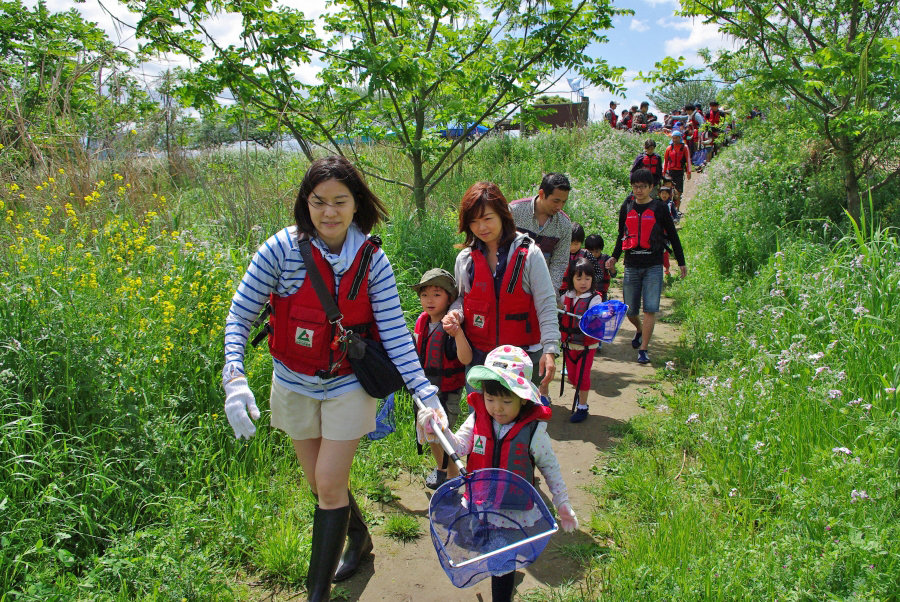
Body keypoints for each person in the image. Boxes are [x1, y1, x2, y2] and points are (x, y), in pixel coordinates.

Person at [222, 156, 443, 601]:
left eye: (340, 201)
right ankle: (358, 538)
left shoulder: (372, 260)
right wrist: (234, 376)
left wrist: (426, 394)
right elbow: (240, 315)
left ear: (355, 203)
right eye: (319, 202)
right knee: (322, 483)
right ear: (306, 203)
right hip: (292, 380)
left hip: (347, 385)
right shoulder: (280, 249)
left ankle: (316, 593)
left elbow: (397, 333)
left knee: (326, 485)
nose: (329, 212)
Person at [416, 345, 578, 602]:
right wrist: (438, 427)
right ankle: (505, 572)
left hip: (511, 510)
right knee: (483, 546)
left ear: (523, 398)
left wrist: (563, 503)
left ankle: (503, 586)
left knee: (501, 560)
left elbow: (551, 469)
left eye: (506, 401)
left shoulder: (534, 432)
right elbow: (457, 446)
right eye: (491, 399)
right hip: (480, 503)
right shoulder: (477, 419)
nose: (497, 409)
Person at [446, 181, 561, 402]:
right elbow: (463, 298)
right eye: (474, 221)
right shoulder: (465, 259)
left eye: (487, 219)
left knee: (519, 427)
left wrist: (550, 349)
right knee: (481, 425)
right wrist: (455, 314)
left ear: (503, 215)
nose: (481, 228)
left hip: (524, 356)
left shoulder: (530, 254)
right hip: (480, 357)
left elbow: (546, 304)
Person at [605, 169, 687, 365]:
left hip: (653, 265)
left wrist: (681, 261)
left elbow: (673, 236)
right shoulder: (627, 207)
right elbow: (621, 236)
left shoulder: (660, 208)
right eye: (635, 186)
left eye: (642, 186)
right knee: (631, 311)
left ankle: (643, 349)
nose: (638, 190)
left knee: (650, 308)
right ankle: (640, 330)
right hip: (632, 264)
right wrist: (615, 257)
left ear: (652, 187)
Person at [411, 268, 473, 489]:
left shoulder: (452, 327)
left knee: (443, 435)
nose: (429, 300)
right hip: (423, 392)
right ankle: (441, 469)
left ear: (449, 298)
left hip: (446, 394)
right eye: (424, 294)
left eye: (437, 294)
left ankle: (453, 474)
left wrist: (457, 334)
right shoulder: (421, 322)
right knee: (430, 434)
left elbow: (465, 359)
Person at [509, 173, 572, 295]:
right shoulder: (515, 211)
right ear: (542, 194)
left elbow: (559, 262)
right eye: (556, 201)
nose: (559, 207)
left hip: (540, 288)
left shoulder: (564, 224)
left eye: (564, 202)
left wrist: (550, 293)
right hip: (509, 283)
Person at [559, 258, 605, 423]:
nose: (583, 282)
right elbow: (556, 307)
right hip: (569, 344)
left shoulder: (595, 299)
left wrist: (595, 315)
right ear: (572, 279)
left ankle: (583, 406)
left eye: (587, 278)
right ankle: (580, 395)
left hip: (587, 346)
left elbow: (597, 313)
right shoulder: (566, 297)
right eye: (579, 278)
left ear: (592, 279)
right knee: (572, 376)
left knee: (582, 377)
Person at [559, 222, 603, 296]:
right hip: (563, 292)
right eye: (569, 244)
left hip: (583, 293)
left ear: (581, 242)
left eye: (576, 244)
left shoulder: (587, 255)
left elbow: (599, 274)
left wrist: (586, 281)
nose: (573, 247)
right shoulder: (559, 255)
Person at [663, 130, 692, 205]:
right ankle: (668, 208)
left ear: (680, 138)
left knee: (678, 191)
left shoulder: (684, 148)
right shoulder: (669, 148)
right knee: (668, 190)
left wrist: (689, 172)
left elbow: (688, 160)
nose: (674, 140)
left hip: (679, 172)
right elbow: (665, 161)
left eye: (676, 138)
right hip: (670, 171)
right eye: (673, 138)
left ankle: (677, 209)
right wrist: (663, 172)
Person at [584, 233, 615, 302]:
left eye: (597, 252)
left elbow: (613, 274)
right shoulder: (584, 259)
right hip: (586, 292)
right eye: (591, 252)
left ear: (601, 249)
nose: (594, 254)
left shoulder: (606, 259)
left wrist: (612, 268)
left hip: (602, 292)